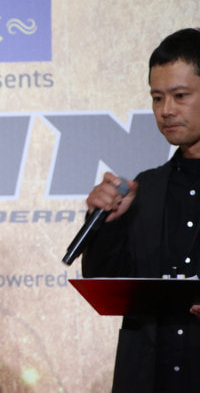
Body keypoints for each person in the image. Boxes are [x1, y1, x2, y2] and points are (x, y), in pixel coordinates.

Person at [82, 27, 200, 393]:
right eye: (157, 98)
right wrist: (106, 224)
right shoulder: (144, 188)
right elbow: (105, 282)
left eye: (180, 96)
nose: (166, 110)